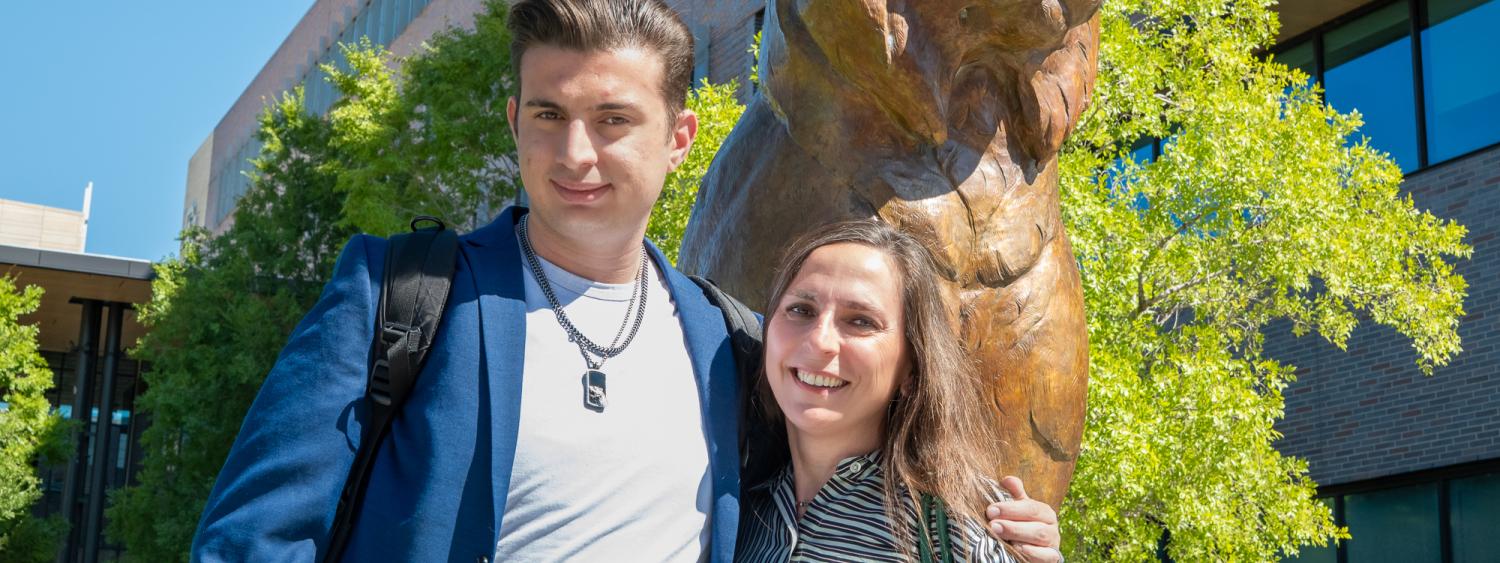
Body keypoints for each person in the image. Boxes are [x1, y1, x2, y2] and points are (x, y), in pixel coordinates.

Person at [191, 1, 1062, 562]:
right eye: (549, 115)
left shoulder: (735, 344)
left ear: (679, 137)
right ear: (514, 122)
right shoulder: (398, 296)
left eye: (613, 120)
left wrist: (1007, 535)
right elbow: (249, 542)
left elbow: (866, 478)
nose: (576, 154)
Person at [736, 220, 1036, 562]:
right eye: (801, 310)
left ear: (912, 368)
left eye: (861, 320)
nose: (819, 340)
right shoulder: (735, 507)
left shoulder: (957, 527)